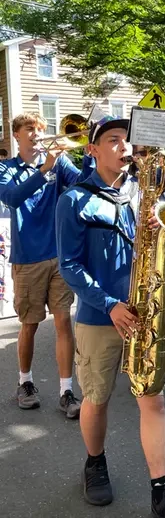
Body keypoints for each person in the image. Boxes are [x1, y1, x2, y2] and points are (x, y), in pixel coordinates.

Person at [55, 116, 165, 517]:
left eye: (127, 140)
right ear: (93, 150)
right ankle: (95, 462)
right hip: (101, 315)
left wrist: (160, 219)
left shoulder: (145, 194)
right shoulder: (73, 199)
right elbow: (68, 265)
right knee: (96, 399)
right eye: (113, 140)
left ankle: (162, 491)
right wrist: (109, 304)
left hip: (146, 313)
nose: (124, 147)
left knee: (152, 399)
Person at [0, 112, 93, 416]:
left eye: (40, 129)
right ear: (16, 135)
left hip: (59, 255)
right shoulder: (6, 168)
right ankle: (25, 382)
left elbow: (84, 184)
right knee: (29, 324)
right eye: (30, 129)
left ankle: (67, 390)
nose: (37, 134)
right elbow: (12, 197)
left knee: (64, 321)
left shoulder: (58, 162)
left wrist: (90, 152)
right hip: (27, 258)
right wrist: (44, 169)